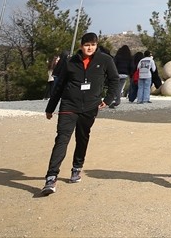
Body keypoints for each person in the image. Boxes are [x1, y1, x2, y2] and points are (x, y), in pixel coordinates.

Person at [40, 32, 121, 196]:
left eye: (92, 44)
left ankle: (77, 167)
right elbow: (60, 85)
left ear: (96, 45)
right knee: (62, 139)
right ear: (81, 46)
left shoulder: (105, 60)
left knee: (82, 137)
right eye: (86, 45)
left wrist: (109, 98)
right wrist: (50, 107)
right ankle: (51, 177)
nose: (89, 48)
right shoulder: (70, 62)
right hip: (69, 105)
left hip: (90, 107)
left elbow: (114, 79)